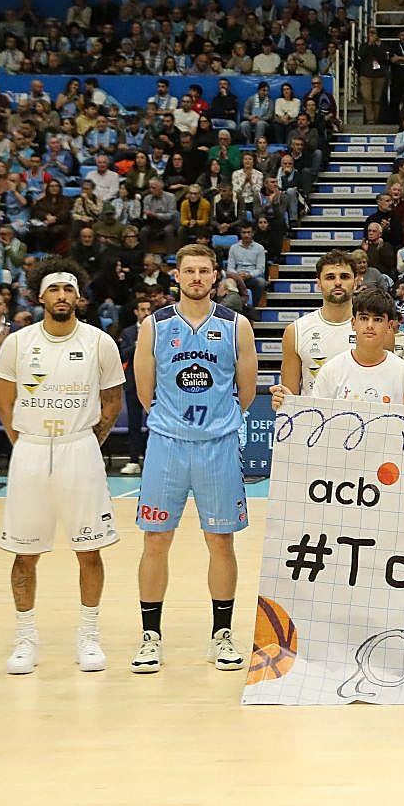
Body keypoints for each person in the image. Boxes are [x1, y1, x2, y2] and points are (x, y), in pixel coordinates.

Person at [132, 244, 258, 675]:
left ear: (216, 275)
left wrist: (217, 423)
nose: (197, 278)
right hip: (168, 444)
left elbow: (246, 391)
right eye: (189, 271)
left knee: (221, 541)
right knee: (156, 540)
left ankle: (221, 634)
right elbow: (144, 392)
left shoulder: (236, 325)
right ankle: (151, 636)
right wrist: (174, 422)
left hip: (219, 445)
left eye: (204, 271)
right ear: (177, 276)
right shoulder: (155, 325)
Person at [0, 259, 125, 675]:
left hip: (79, 449)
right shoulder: (17, 343)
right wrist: (28, 445)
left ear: (78, 297)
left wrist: (88, 443)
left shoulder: (99, 342)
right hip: (31, 450)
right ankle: (25, 638)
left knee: (89, 548)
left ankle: (88, 637)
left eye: (68, 290)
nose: (62, 296)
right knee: (24, 552)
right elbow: (4, 402)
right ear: (40, 297)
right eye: (55, 290)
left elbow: (112, 401)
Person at [288, 286, 404, 407]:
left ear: (389, 326)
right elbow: (316, 420)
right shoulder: (331, 371)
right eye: (364, 318)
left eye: (377, 319)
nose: (370, 325)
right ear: (353, 323)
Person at [277, 250, 359, 395]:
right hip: (313, 417)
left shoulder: (374, 329)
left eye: (344, 277)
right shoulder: (296, 331)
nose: (338, 282)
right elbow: (290, 399)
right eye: (330, 277)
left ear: (356, 282)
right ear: (319, 284)